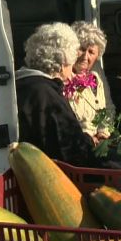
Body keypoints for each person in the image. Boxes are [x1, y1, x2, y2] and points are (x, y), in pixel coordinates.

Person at [15, 22, 107, 167]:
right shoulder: (47, 95)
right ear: (62, 62)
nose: (71, 72)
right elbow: (72, 151)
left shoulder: (21, 84)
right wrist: (89, 140)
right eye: (71, 63)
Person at [68, 22, 116, 145]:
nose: (85, 56)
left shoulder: (96, 71)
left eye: (91, 52)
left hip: (101, 142)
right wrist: (89, 139)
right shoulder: (65, 76)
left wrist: (103, 132)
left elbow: (108, 107)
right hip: (80, 144)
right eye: (82, 49)